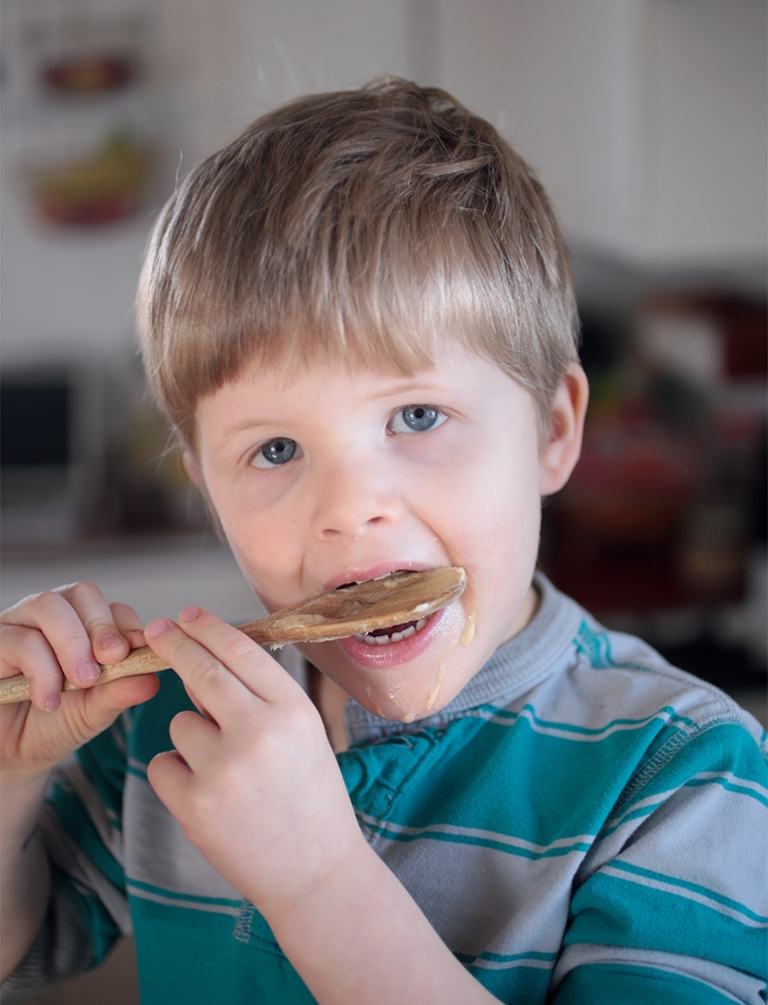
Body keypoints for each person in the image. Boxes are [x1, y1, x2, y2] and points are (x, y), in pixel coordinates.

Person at [1, 78, 765, 1005]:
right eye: (275, 448)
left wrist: (319, 883)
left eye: (416, 414)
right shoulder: (168, 723)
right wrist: (10, 783)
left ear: (553, 432)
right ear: (206, 489)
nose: (349, 507)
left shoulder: (682, 777)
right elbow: (25, 946)